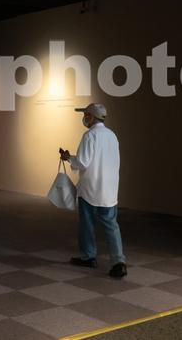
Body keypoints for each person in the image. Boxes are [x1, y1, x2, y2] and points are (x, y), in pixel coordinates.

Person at [59, 103, 127, 278]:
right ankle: (119, 262)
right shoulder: (112, 135)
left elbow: (83, 162)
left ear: (91, 117)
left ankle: (88, 257)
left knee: (87, 225)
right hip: (109, 189)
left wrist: (68, 158)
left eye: (86, 115)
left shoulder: (89, 136)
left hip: (90, 189)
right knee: (111, 225)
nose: (84, 118)